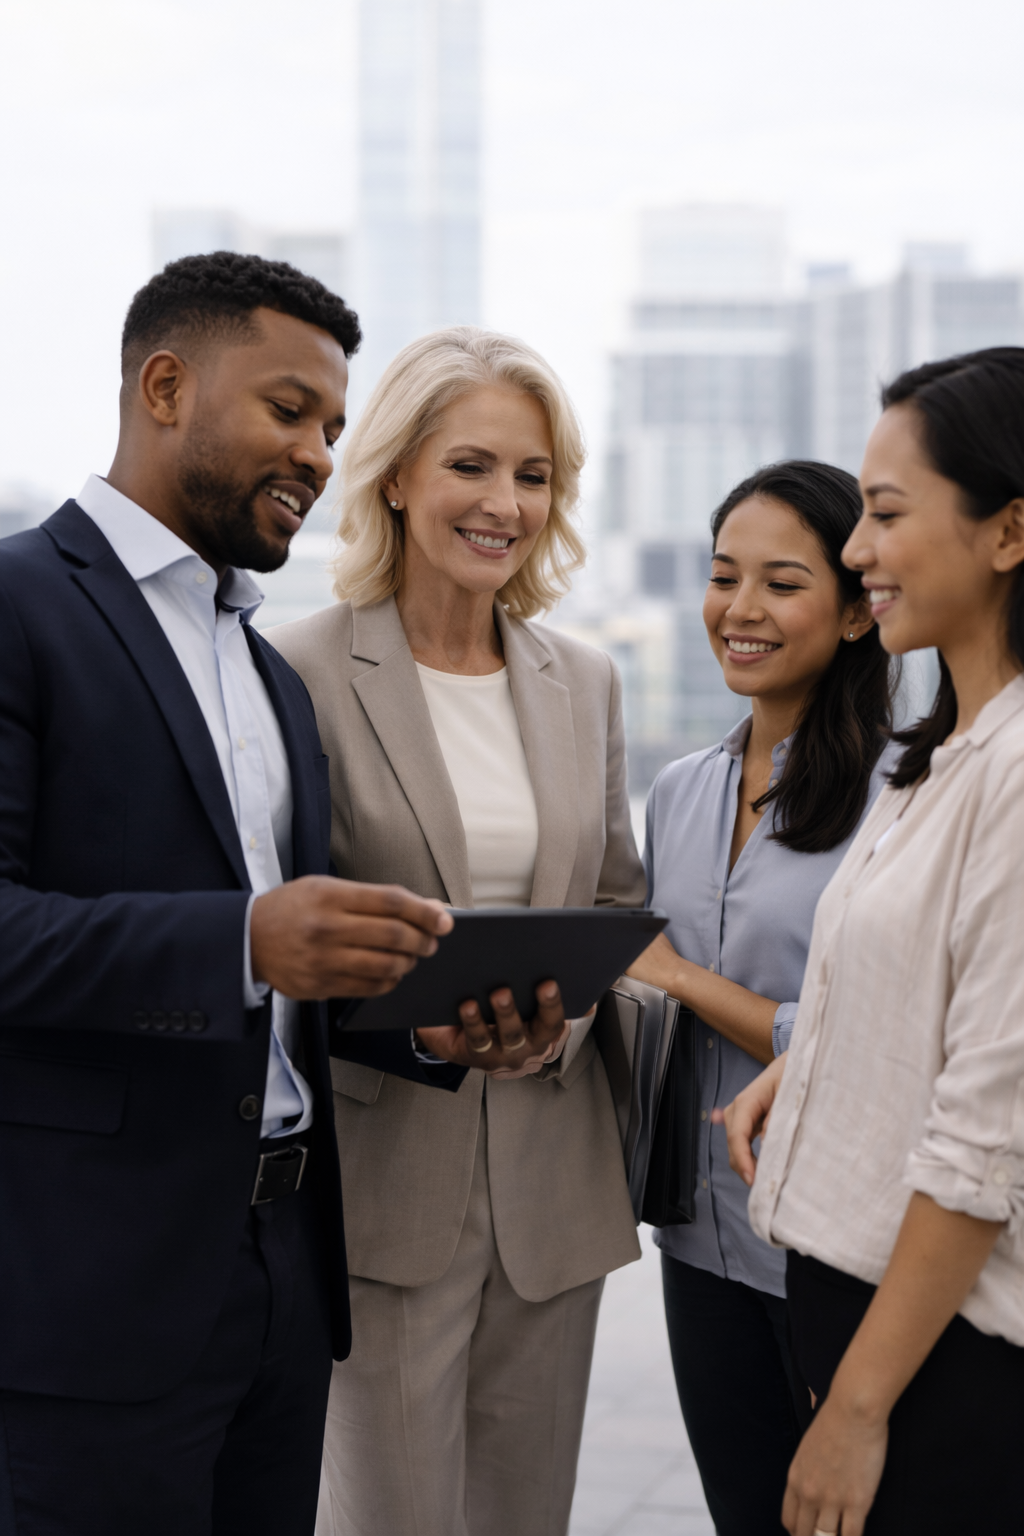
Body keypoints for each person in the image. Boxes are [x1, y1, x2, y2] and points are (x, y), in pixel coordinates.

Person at [0, 251, 460, 1536]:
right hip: (89, 1297)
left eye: (330, 425)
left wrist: (431, 1021)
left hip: (282, 1280)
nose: (319, 452)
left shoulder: (270, 674)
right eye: (289, 409)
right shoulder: (19, 603)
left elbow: (288, 979)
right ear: (163, 386)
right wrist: (245, 938)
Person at [268, 325, 646, 1536]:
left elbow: (608, 905)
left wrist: (552, 1031)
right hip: (382, 1193)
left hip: (553, 1187)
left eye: (533, 477)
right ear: (396, 476)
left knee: (526, 1520)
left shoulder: (582, 679)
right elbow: (277, 933)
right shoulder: (298, 669)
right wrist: (426, 1034)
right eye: (472, 467)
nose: (505, 504)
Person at [720, 348, 1024, 1536]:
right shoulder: (937, 753)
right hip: (857, 1300)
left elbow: (988, 1133)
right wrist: (813, 1068)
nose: (857, 551)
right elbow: (938, 999)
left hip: (941, 1351)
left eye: (885, 515)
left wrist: (853, 1410)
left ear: (1007, 532)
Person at [625, 461, 896, 1535]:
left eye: (781, 584)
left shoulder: (902, 799)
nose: (738, 611)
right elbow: (644, 1003)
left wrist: (678, 977)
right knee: (743, 1514)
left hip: (838, 1250)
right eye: (721, 575)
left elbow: (869, 1038)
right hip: (699, 1239)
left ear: (855, 611)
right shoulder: (682, 789)